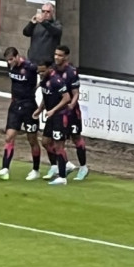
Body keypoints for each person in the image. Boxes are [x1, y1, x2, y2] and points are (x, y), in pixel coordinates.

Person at [0, 47, 42, 181]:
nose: (9, 63)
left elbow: (45, 71)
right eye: (7, 60)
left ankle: (36, 169)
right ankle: (5, 169)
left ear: (17, 56)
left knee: (32, 139)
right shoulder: (10, 67)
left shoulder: (30, 67)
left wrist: (38, 86)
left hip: (29, 106)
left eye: (11, 59)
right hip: (15, 106)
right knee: (9, 137)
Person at [50, 45, 88, 181]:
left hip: (71, 111)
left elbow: (76, 92)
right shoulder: (53, 70)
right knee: (58, 141)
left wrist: (72, 104)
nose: (57, 57)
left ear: (66, 57)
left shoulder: (71, 72)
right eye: (56, 54)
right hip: (58, 111)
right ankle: (64, 166)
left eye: (60, 55)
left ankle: (83, 167)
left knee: (76, 137)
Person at [34, 59, 72, 186]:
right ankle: (64, 165)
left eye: (42, 71)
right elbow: (46, 97)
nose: (40, 74)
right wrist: (40, 110)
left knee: (59, 146)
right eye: (39, 72)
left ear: (50, 69)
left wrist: (53, 110)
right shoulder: (44, 81)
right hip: (51, 116)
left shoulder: (57, 80)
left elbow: (67, 98)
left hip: (60, 116)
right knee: (45, 142)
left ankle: (62, 177)